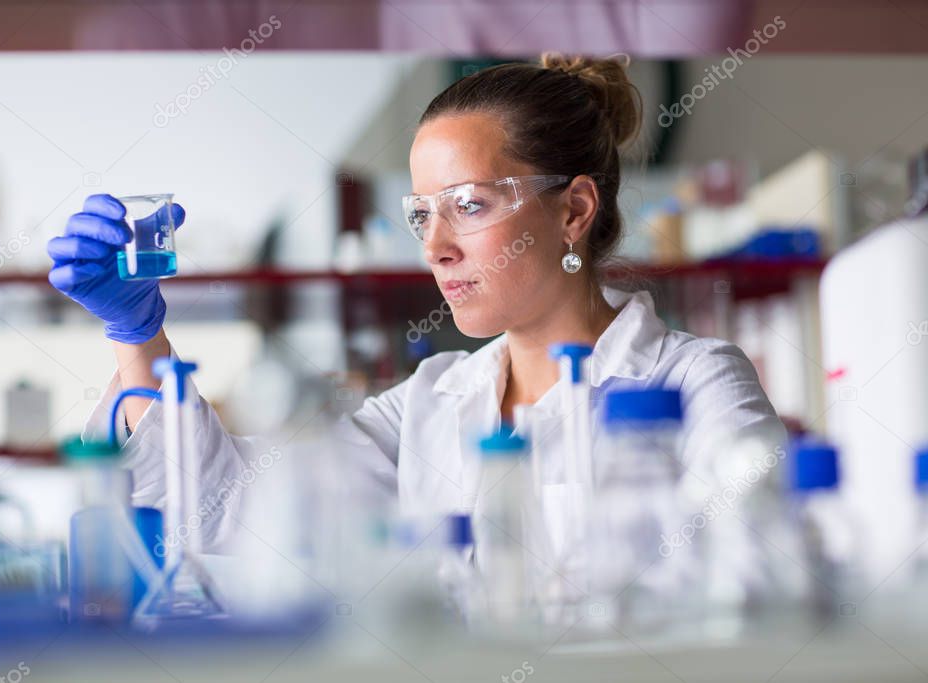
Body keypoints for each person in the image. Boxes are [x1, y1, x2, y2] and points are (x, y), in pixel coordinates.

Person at [47, 53, 786, 551]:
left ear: (573, 211)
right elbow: (232, 508)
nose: (435, 246)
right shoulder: (431, 400)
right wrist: (135, 331)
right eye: (421, 214)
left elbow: (760, 565)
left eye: (468, 204)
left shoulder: (694, 380)